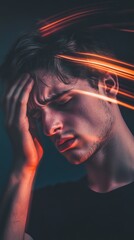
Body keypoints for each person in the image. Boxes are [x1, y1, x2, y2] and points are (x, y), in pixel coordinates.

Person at [0, 23, 134, 240]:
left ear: (108, 86)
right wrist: (23, 167)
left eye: (63, 102)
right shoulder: (42, 209)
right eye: (35, 116)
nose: (49, 127)